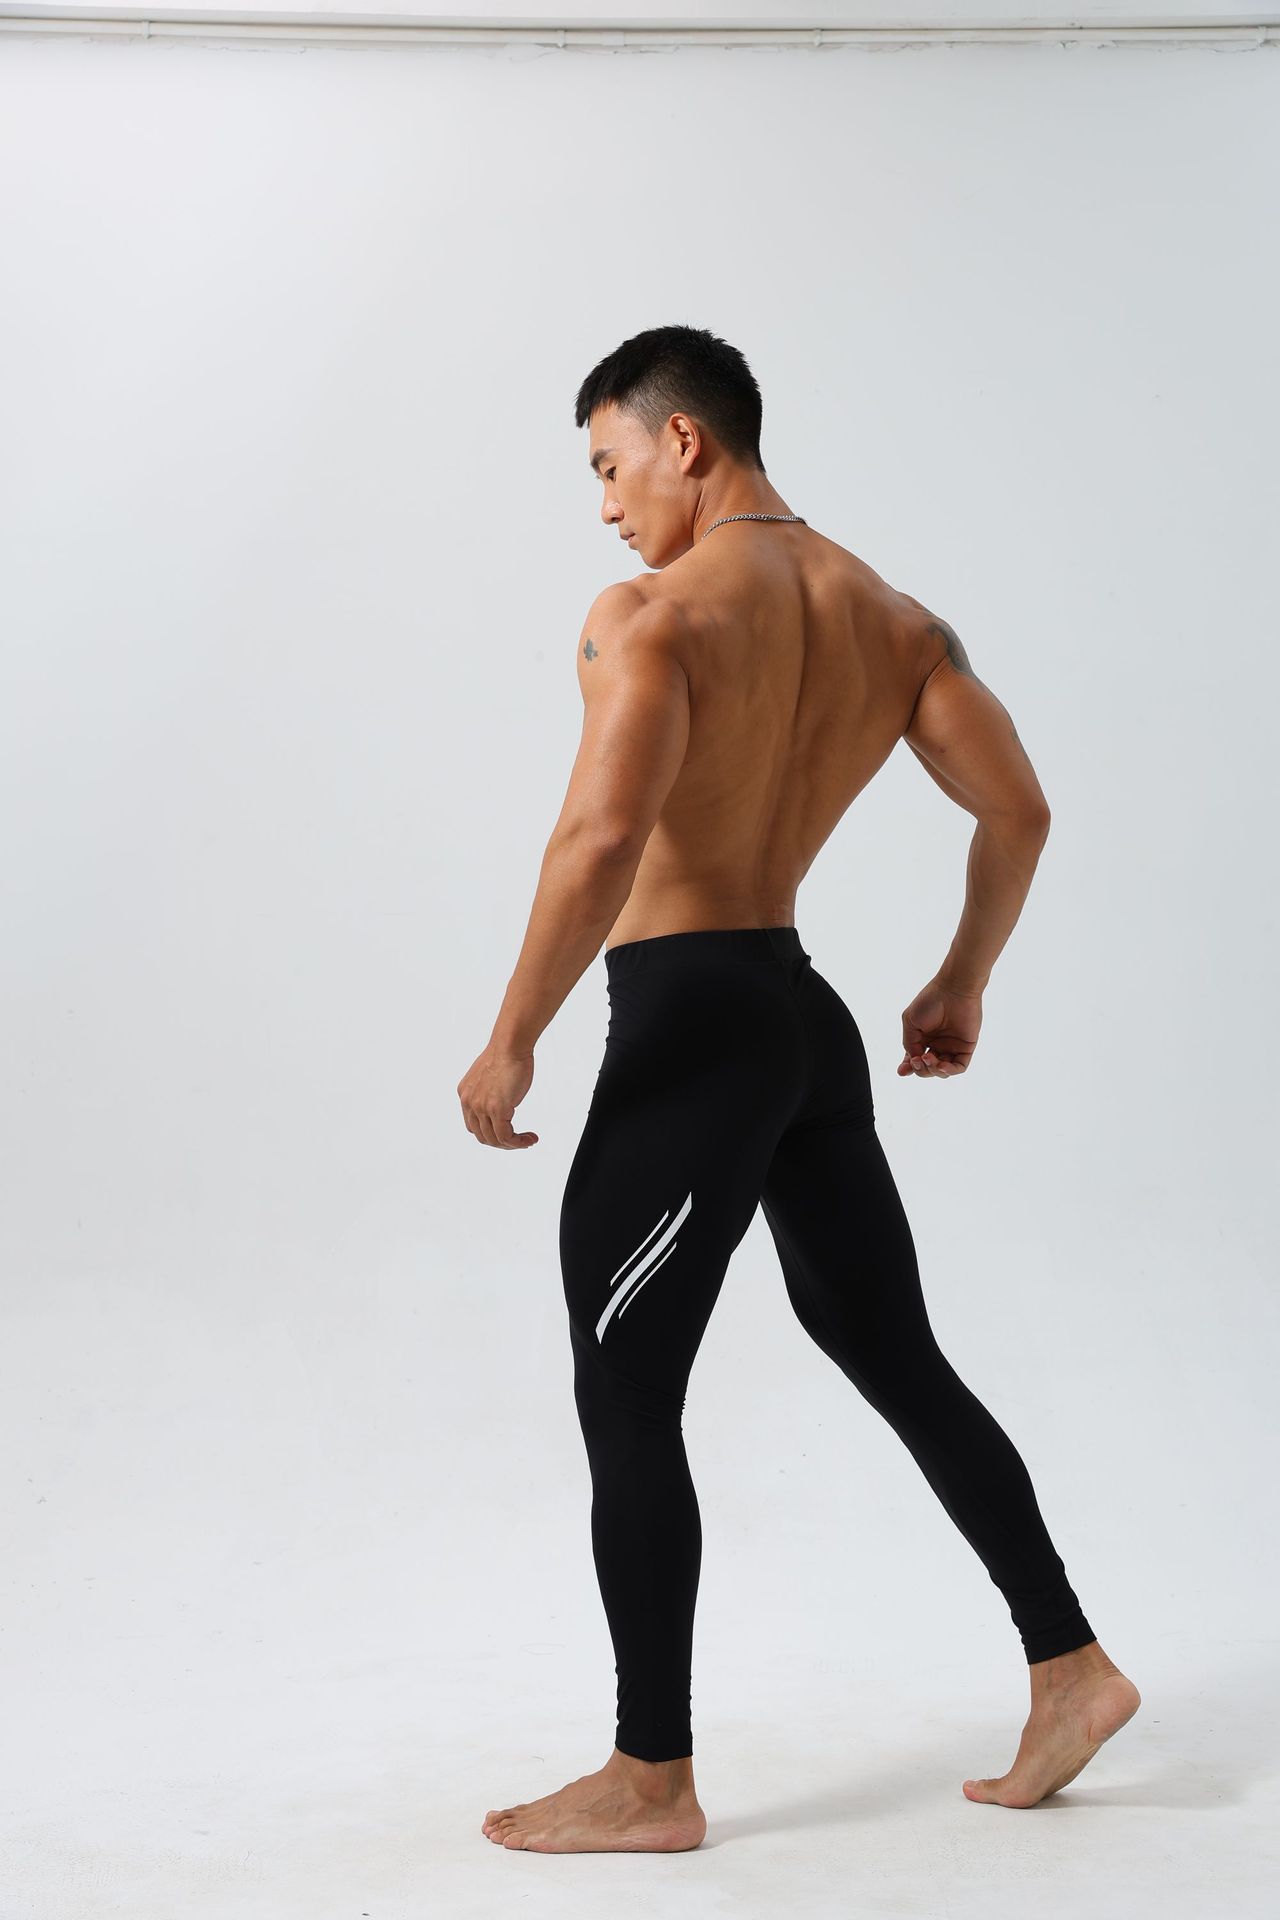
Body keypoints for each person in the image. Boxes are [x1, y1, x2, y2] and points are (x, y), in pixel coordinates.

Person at [458, 324, 1140, 1854]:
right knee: (893, 1349)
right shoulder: (892, 619)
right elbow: (1019, 809)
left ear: (684, 439)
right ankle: (1072, 1668)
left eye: (610, 466)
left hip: (691, 1029)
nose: (607, 505)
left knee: (627, 1388)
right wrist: (961, 979)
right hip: (799, 1017)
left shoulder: (649, 614)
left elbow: (602, 837)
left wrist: (513, 1037)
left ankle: (650, 1777)